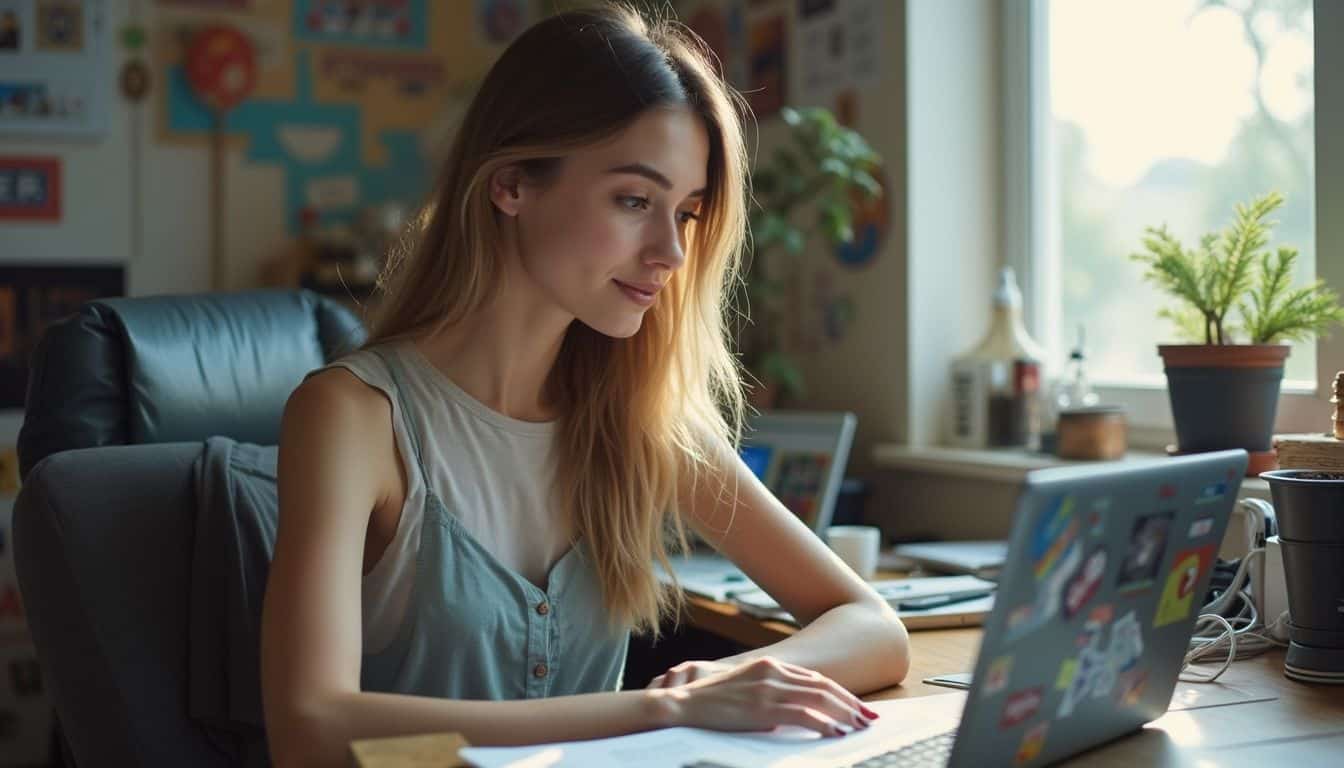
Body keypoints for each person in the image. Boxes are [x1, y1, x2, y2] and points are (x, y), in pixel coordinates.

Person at [260, 4, 910, 766]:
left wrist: (726, 681)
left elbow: (872, 627)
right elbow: (308, 728)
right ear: (510, 185)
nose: (670, 251)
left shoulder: (640, 417)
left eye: (687, 213)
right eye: (635, 200)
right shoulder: (351, 417)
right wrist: (662, 709)